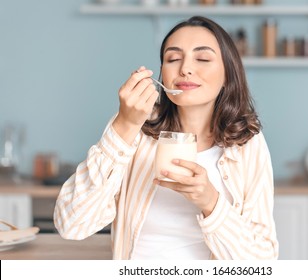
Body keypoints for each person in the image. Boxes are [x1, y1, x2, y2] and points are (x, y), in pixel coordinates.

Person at [54, 16, 278, 260]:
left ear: (228, 75)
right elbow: (72, 225)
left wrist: (210, 202)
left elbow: (262, 261)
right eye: (173, 59)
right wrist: (124, 124)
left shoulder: (248, 144)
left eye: (202, 58)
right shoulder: (134, 129)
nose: (185, 69)